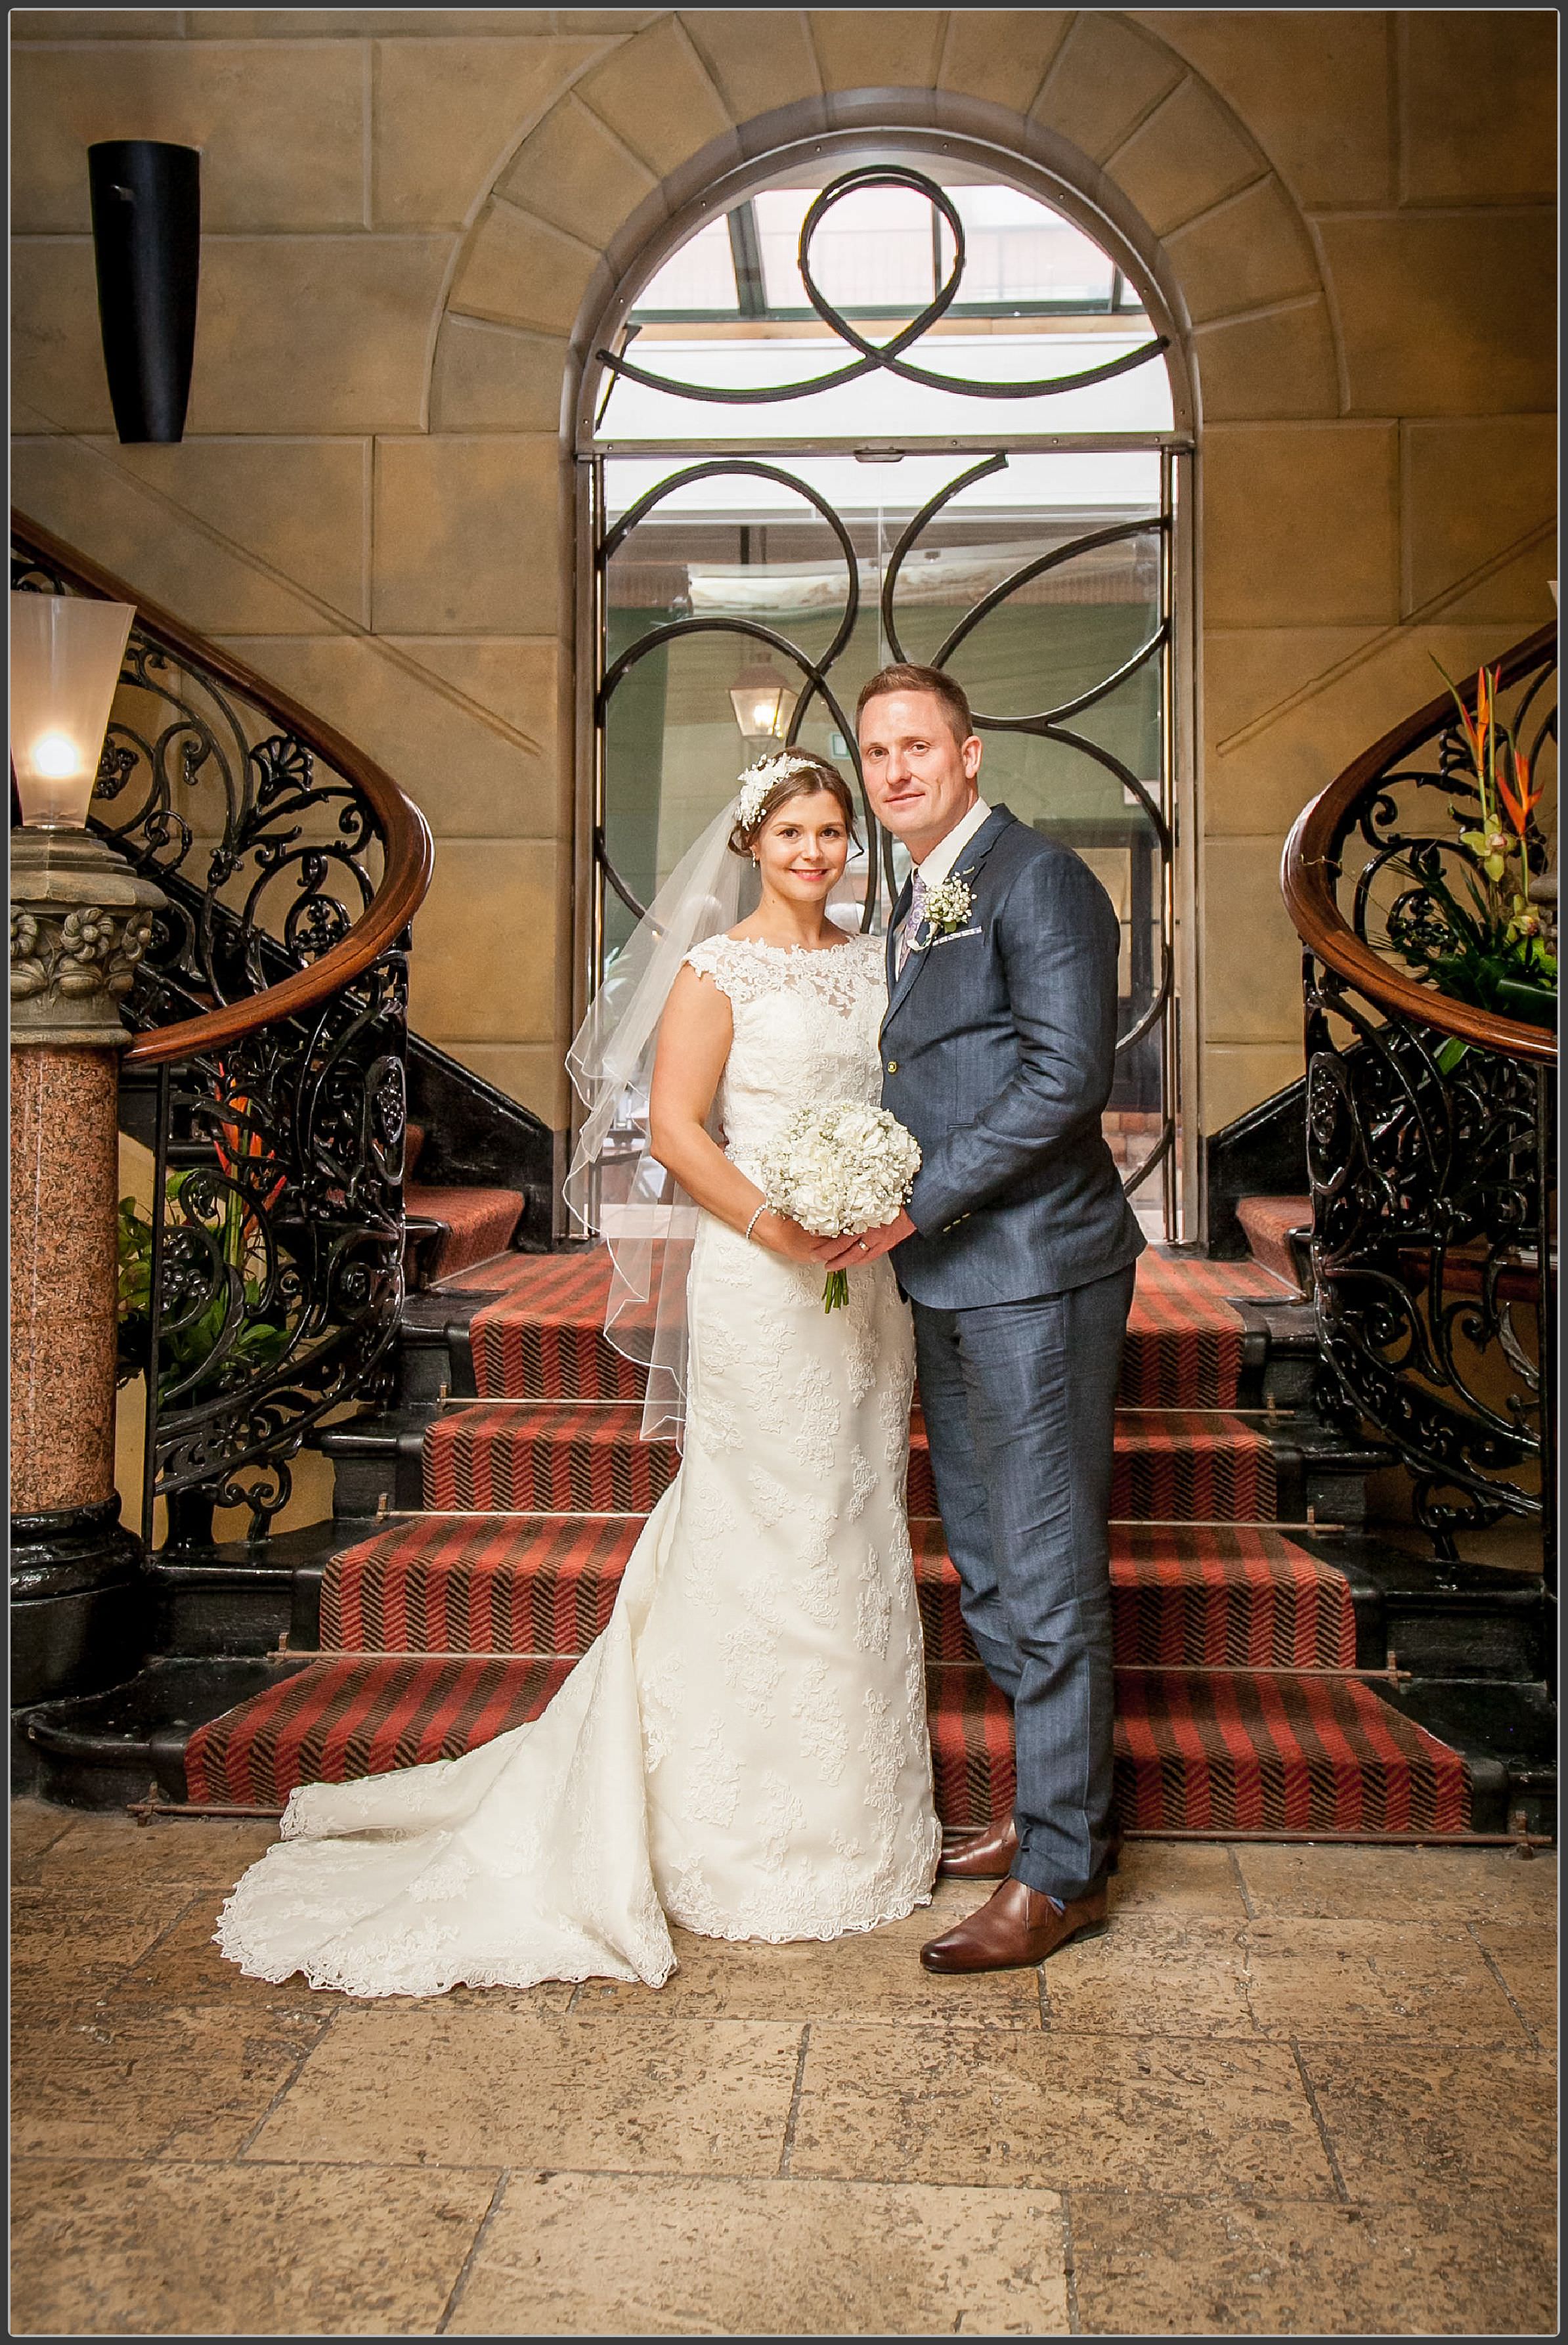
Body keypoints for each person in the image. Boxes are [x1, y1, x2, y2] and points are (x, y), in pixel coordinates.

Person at [212, 749, 941, 1997]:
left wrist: (874, 1203)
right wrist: (783, 1225)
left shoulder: (882, 962)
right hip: (767, 1278)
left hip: (862, 1279)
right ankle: (733, 1835)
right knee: (764, 1523)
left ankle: (858, 1821)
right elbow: (674, 1131)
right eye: (795, 833)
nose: (817, 853)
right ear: (752, 845)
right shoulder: (718, 971)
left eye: (833, 832)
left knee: (853, 1519)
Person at [822, 663, 1144, 1975]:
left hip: (1036, 1269)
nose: (895, 769)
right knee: (995, 1562)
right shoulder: (911, 893)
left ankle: (1062, 1871)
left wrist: (911, 1204)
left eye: (918, 746)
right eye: (877, 751)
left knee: (1049, 1564)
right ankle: (1055, 1813)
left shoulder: (1039, 878)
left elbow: (1069, 1078)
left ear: (970, 754)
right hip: (953, 1270)